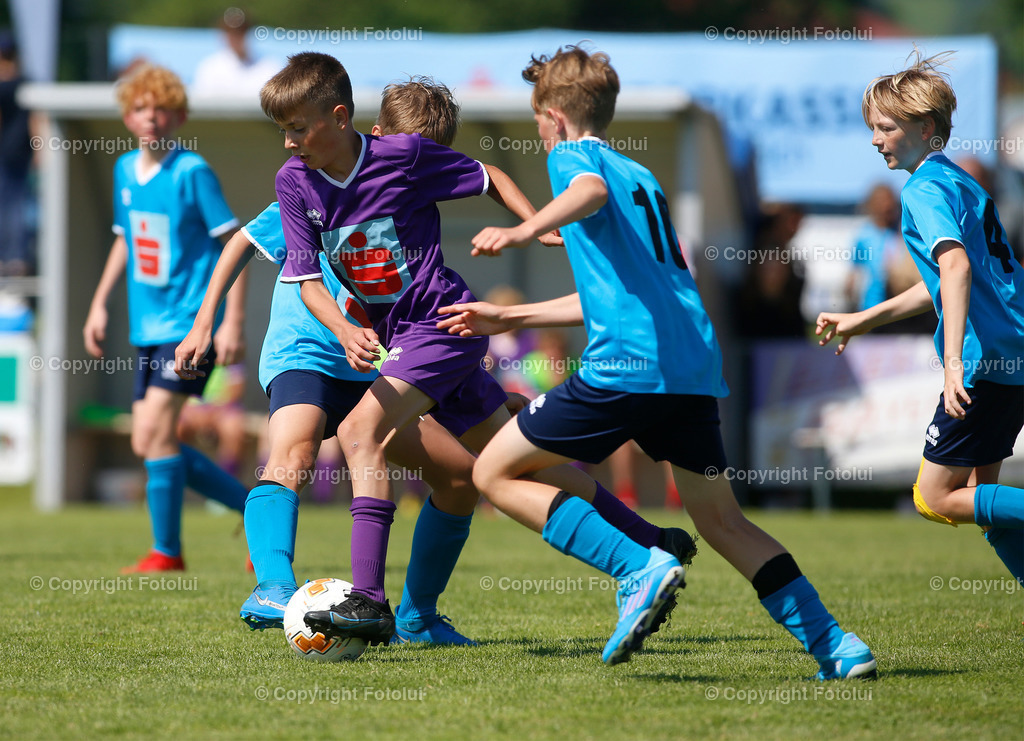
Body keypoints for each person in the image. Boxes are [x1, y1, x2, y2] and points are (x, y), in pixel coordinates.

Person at [178, 74, 694, 643]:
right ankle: (277, 589)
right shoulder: (306, 182)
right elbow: (271, 261)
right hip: (335, 347)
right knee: (341, 452)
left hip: (414, 342)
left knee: (412, 453)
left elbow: (486, 180)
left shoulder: (405, 168)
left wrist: (531, 228)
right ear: (373, 133)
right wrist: (212, 323)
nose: (422, 174)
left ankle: (384, 605)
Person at [442, 45, 876, 676]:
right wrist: (510, 316)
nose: (540, 135)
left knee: (494, 473)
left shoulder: (574, 158)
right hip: (688, 368)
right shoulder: (642, 179)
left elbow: (584, 190)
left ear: (555, 116)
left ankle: (636, 567)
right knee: (723, 521)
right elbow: (623, 294)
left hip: (627, 367)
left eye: (538, 120)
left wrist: (522, 230)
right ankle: (837, 645)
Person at [816, 51, 1024, 587]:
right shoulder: (961, 181)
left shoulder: (924, 188)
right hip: (1013, 352)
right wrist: (865, 317)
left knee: (932, 497)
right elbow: (945, 283)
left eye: (885, 127)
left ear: (924, 127)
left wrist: (954, 362)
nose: (875, 138)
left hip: (986, 360)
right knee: (985, 502)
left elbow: (954, 267)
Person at [83, 63, 249, 573]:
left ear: (178, 116)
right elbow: (124, 238)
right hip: (146, 326)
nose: (150, 117)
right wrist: (99, 301)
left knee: (153, 430)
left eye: (160, 109)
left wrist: (231, 322)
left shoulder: (192, 171)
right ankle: (259, 509)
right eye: (139, 108)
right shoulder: (123, 171)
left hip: (188, 326)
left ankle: (168, 553)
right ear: (128, 118)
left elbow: (238, 245)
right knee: (148, 439)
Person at [0, 33, 35, 277]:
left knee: (13, 207)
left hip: (13, 153)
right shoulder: (25, 82)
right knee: (16, 207)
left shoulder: (16, 84)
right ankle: (16, 258)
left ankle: (13, 259)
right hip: (18, 152)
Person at [191, 7, 280, 98]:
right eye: (231, 31)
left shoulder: (268, 66)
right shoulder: (210, 68)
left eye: (241, 31)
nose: (236, 36)